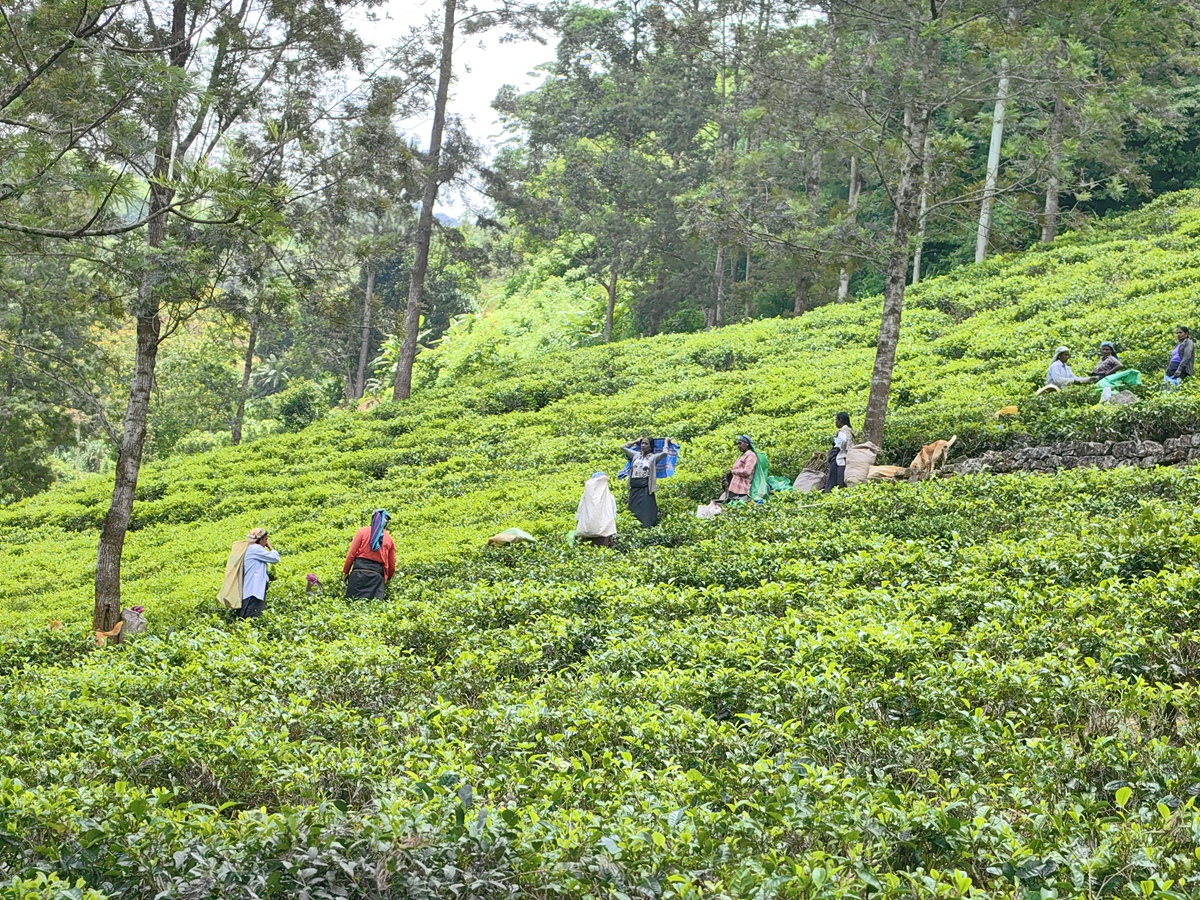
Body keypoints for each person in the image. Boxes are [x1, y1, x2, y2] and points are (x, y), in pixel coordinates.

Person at [343, 509, 396, 600]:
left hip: (358, 574)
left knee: (352, 603)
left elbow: (351, 554)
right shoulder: (389, 539)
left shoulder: (362, 532)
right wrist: (388, 578)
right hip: (377, 578)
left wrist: (346, 571)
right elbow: (392, 565)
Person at [622, 437, 672, 527]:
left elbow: (665, 453)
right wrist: (636, 441)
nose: (643, 445)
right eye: (642, 443)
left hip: (645, 487)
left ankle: (646, 526)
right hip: (634, 487)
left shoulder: (653, 457)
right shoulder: (636, 455)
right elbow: (623, 447)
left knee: (646, 509)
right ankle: (633, 526)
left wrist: (666, 441)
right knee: (633, 508)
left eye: (646, 444)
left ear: (650, 447)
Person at [239, 527, 279, 618]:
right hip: (253, 593)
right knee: (250, 619)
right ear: (259, 540)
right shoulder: (255, 549)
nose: (266, 542)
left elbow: (257, 568)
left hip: (254, 593)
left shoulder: (252, 549)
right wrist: (270, 547)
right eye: (266, 539)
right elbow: (275, 558)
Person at [576, 472, 617, 546]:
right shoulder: (610, 497)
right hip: (603, 534)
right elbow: (613, 515)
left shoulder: (585, 496)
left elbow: (579, 512)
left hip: (586, 532)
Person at [824, 413, 854, 493]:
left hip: (841, 456)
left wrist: (834, 450)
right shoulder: (851, 430)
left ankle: (830, 492)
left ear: (840, 421)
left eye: (836, 420)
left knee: (834, 477)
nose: (835, 422)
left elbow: (841, 442)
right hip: (851, 455)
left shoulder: (842, 431)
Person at [723, 436, 758, 502]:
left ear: (747, 444)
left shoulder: (751, 455)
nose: (738, 446)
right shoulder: (742, 455)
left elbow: (747, 472)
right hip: (734, 489)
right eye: (737, 444)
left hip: (742, 491)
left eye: (740, 443)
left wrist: (733, 471)